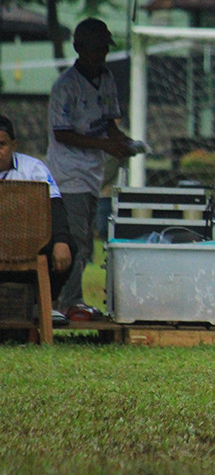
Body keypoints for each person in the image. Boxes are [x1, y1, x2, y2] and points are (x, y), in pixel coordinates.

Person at [46, 17, 140, 318]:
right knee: (77, 242)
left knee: (86, 241)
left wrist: (124, 143)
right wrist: (104, 145)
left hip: (92, 175)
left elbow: (110, 125)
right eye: (94, 49)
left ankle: (66, 300)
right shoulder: (65, 87)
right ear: (78, 48)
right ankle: (64, 302)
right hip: (68, 174)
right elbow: (62, 133)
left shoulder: (107, 78)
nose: (100, 55)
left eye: (104, 49)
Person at [0, 115, 76, 326]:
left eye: (2, 144)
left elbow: (55, 206)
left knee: (67, 246)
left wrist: (61, 240)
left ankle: (39, 305)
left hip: (27, 245)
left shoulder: (33, 168)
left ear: (13, 145)